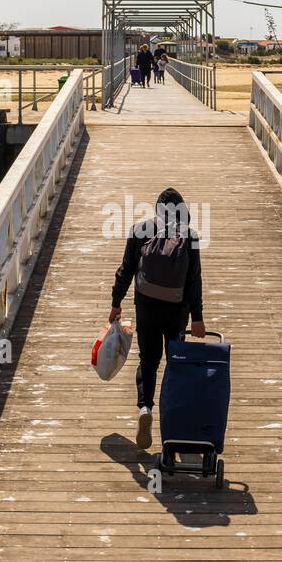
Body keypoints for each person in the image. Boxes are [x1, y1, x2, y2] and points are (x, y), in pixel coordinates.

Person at [109, 187, 205, 449]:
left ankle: (145, 408)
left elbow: (126, 270)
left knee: (148, 360)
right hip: (177, 311)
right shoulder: (190, 237)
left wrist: (116, 303)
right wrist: (197, 318)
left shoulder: (140, 231)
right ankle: (172, 419)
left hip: (147, 307)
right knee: (175, 361)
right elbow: (194, 281)